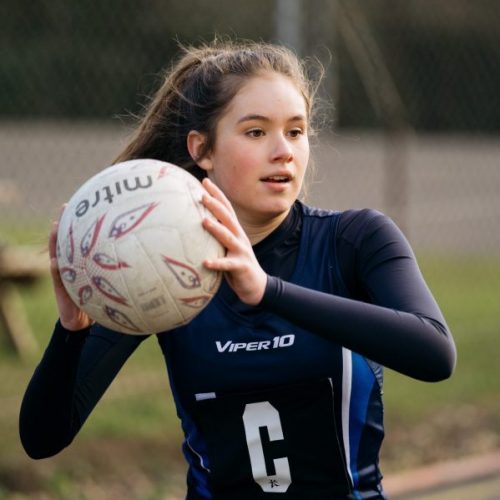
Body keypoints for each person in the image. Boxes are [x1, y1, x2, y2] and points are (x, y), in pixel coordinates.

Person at [19, 40, 456, 499]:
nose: (283, 151)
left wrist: (269, 291)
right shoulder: (163, 268)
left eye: (295, 131)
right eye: (255, 132)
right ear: (201, 149)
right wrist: (71, 332)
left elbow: (434, 353)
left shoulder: (354, 240)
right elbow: (42, 437)